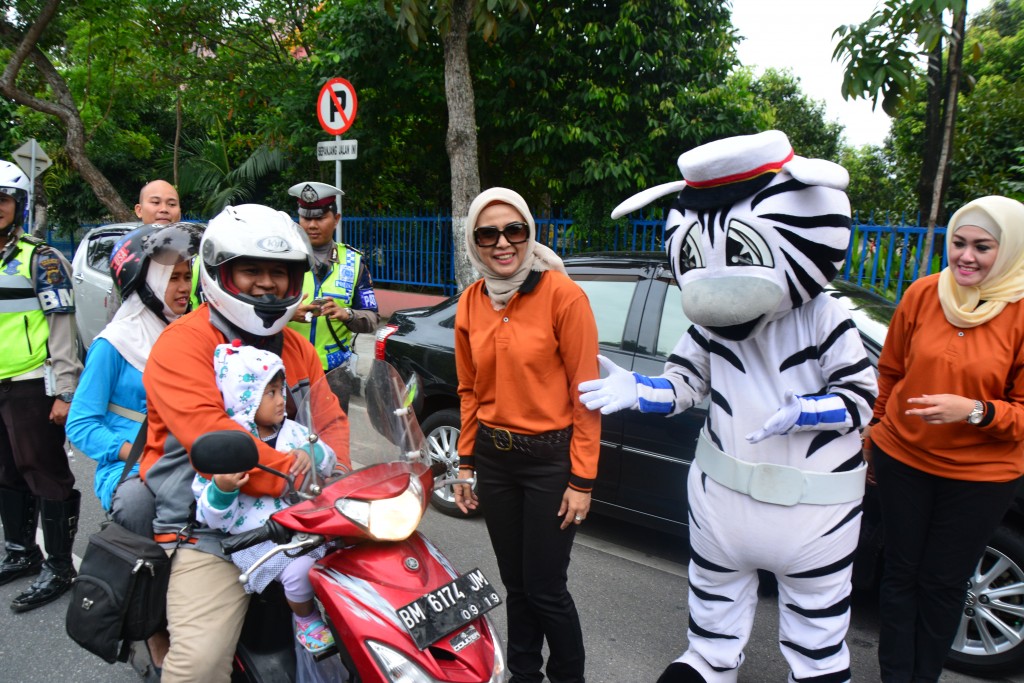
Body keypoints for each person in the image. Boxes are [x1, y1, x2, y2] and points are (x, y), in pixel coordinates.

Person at [577, 131, 876, 683]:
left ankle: (816, 668)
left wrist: (809, 411)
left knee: (817, 627)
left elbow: (861, 399)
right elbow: (685, 381)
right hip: (723, 506)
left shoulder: (824, 318)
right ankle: (712, 656)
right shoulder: (709, 326)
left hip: (813, 516)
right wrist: (641, 391)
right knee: (713, 594)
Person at [138, 204, 350, 683]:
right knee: (198, 667)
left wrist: (335, 472)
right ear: (218, 274)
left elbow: (331, 420)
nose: (268, 284)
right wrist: (301, 472)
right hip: (213, 525)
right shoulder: (182, 345)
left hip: (302, 514)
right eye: (251, 270)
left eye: (280, 272)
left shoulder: (298, 347)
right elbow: (216, 436)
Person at [863, 195, 1024, 682]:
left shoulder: (1019, 313)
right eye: (958, 243)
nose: (966, 256)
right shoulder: (923, 294)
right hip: (903, 458)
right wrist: (874, 434)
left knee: (942, 583)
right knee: (900, 575)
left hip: (981, 475)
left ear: (1012, 250)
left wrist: (973, 411)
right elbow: (889, 372)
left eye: (983, 246)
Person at [452, 187, 600, 683]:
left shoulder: (564, 296)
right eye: (487, 233)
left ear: (529, 234)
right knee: (516, 585)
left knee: (546, 588)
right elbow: (469, 391)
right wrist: (465, 465)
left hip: (550, 463)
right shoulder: (472, 301)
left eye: (513, 230)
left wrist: (581, 481)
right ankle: (522, 675)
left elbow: (587, 395)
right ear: (474, 241)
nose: (502, 243)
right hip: (495, 460)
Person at [194, 342, 337, 653]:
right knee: (300, 573)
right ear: (244, 399)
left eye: (281, 390)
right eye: (269, 393)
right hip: (260, 541)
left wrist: (311, 453)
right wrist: (223, 488)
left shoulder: (296, 432)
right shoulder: (229, 447)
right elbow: (212, 516)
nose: (280, 400)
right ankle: (307, 619)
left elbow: (328, 459)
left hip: (307, 525)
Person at [67, 222, 202, 512]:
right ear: (148, 282)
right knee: (140, 505)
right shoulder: (113, 344)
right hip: (130, 469)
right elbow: (80, 424)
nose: (183, 287)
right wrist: (137, 453)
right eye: (172, 278)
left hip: (188, 461)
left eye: (187, 276)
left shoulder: (192, 335)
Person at [0, 159, 84, 613]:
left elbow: (63, 328)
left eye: (4, 199)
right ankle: (20, 551)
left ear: (19, 205)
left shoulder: (42, 259)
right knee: (6, 473)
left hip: (33, 384)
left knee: (45, 472)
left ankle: (58, 565)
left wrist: (65, 391)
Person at [285, 182, 378, 389]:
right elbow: (255, 312)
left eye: (319, 217)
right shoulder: (281, 258)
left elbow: (372, 319)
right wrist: (288, 313)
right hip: (288, 367)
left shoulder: (354, 262)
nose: (311, 225)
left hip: (335, 374)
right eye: (306, 218)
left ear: (336, 219)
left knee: (333, 423)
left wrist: (347, 314)